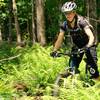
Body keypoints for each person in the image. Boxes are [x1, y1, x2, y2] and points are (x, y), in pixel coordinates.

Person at [50, 1, 99, 79]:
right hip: (77, 46)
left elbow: (91, 36)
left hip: (89, 44)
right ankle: (73, 85)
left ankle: (97, 86)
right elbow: (60, 38)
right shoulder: (65, 25)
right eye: (66, 13)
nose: (68, 15)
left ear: (74, 12)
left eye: (70, 12)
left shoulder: (82, 22)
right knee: (71, 69)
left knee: (93, 71)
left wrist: (88, 46)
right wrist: (54, 50)